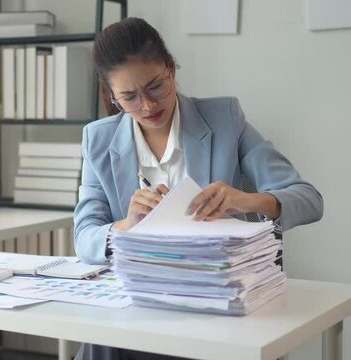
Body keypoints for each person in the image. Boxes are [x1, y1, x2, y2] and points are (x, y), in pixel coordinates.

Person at [73, 17, 323, 360]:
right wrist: (125, 226)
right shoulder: (98, 139)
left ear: (171, 69)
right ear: (112, 95)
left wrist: (245, 200)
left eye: (155, 87)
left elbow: (309, 199)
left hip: (213, 300)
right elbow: (84, 236)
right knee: (100, 342)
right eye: (129, 97)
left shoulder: (224, 119)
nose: (147, 106)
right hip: (142, 303)